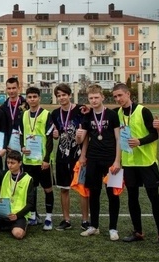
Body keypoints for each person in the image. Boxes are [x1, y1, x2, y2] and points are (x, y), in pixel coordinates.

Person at [112, 83, 159, 246]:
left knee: (153, 197)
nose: (118, 99)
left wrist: (139, 141)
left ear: (128, 94)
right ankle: (138, 232)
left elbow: (154, 135)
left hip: (146, 162)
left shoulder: (143, 111)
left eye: (120, 95)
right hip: (129, 163)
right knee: (132, 198)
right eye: (115, 96)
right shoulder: (117, 113)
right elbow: (99, 113)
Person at [77, 84, 121, 240]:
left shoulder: (112, 115)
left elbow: (118, 138)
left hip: (110, 160)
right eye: (91, 98)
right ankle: (94, 226)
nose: (94, 100)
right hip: (93, 158)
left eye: (96, 97)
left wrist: (117, 160)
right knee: (94, 193)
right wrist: (83, 156)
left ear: (102, 97)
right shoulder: (88, 116)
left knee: (112, 194)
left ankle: (113, 228)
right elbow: (86, 138)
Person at [50, 83, 89, 231]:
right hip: (62, 154)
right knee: (63, 188)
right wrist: (55, 135)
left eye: (64, 95)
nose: (61, 98)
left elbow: (86, 135)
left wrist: (83, 155)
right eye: (58, 96)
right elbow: (58, 134)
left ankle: (85, 220)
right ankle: (66, 220)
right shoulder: (55, 114)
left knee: (82, 187)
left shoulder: (80, 110)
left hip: (78, 154)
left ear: (70, 95)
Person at [0, 150, 35, 240]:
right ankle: (5, 226)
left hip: (17, 214)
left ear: (20, 163)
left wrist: (17, 215)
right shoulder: (5, 173)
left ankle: (18, 226)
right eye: (8, 162)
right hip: (2, 212)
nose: (10, 165)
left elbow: (30, 204)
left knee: (18, 235)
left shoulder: (28, 179)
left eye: (13, 163)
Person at [20, 86, 54, 230]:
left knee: (47, 189)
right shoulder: (24, 114)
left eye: (35, 97)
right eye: (30, 97)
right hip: (28, 160)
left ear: (39, 98)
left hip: (42, 161)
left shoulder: (46, 114)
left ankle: (48, 218)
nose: (32, 99)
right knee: (31, 189)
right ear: (26, 99)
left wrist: (46, 159)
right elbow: (21, 134)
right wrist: (22, 147)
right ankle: (33, 215)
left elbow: (50, 139)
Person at [0, 77, 28, 152]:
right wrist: (5, 145)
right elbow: (2, 128)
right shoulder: (3, 107)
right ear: (6, 89)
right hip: (9, 146)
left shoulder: (26, 105)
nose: (11, 91)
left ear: (18, 88)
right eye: (9, 88)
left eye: (14, 88)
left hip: (25, 145)